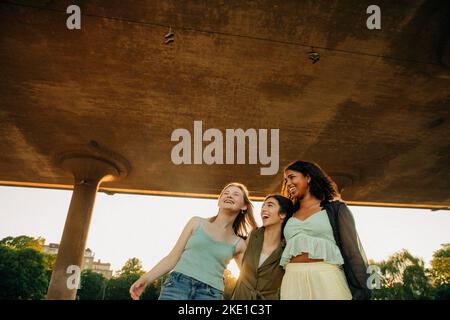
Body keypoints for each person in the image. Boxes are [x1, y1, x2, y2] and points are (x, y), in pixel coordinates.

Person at [129, 182, 257, 300]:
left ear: (244, 206)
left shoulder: (239, 243)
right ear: (219, 201)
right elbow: (172, 257)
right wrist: (145, 279)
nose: (229, 196)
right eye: (226, 193)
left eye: (235, 194)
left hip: (210, 294)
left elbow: (248, 278)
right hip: (176, 286)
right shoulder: (196, 222)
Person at [280, 160, 371, 300]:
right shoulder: (289, 214)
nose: (288, 183)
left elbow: (352, 251)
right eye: (286, 180)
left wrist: (362, 291)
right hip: (292, 279)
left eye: (292, 177)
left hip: (327, 277)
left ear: (308, 177)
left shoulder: (335, 209)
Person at [231, 194, 294, 300]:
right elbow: (238, 256)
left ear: (282, 214)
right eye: (263, 206)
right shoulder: (253, 236)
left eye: (270, 205)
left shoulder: (288, 247)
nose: (263, 209)